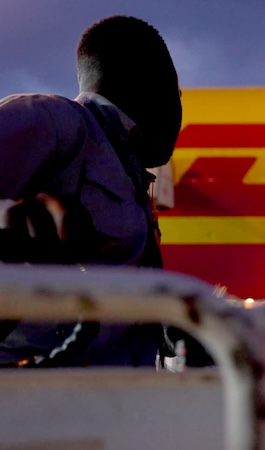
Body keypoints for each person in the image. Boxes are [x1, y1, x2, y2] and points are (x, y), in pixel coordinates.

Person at [0, 15, 184, 367]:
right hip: (32, 400)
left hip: (103, 402)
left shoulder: (127, 168)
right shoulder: (54, 121)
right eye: (178, 95)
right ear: (155, 84)